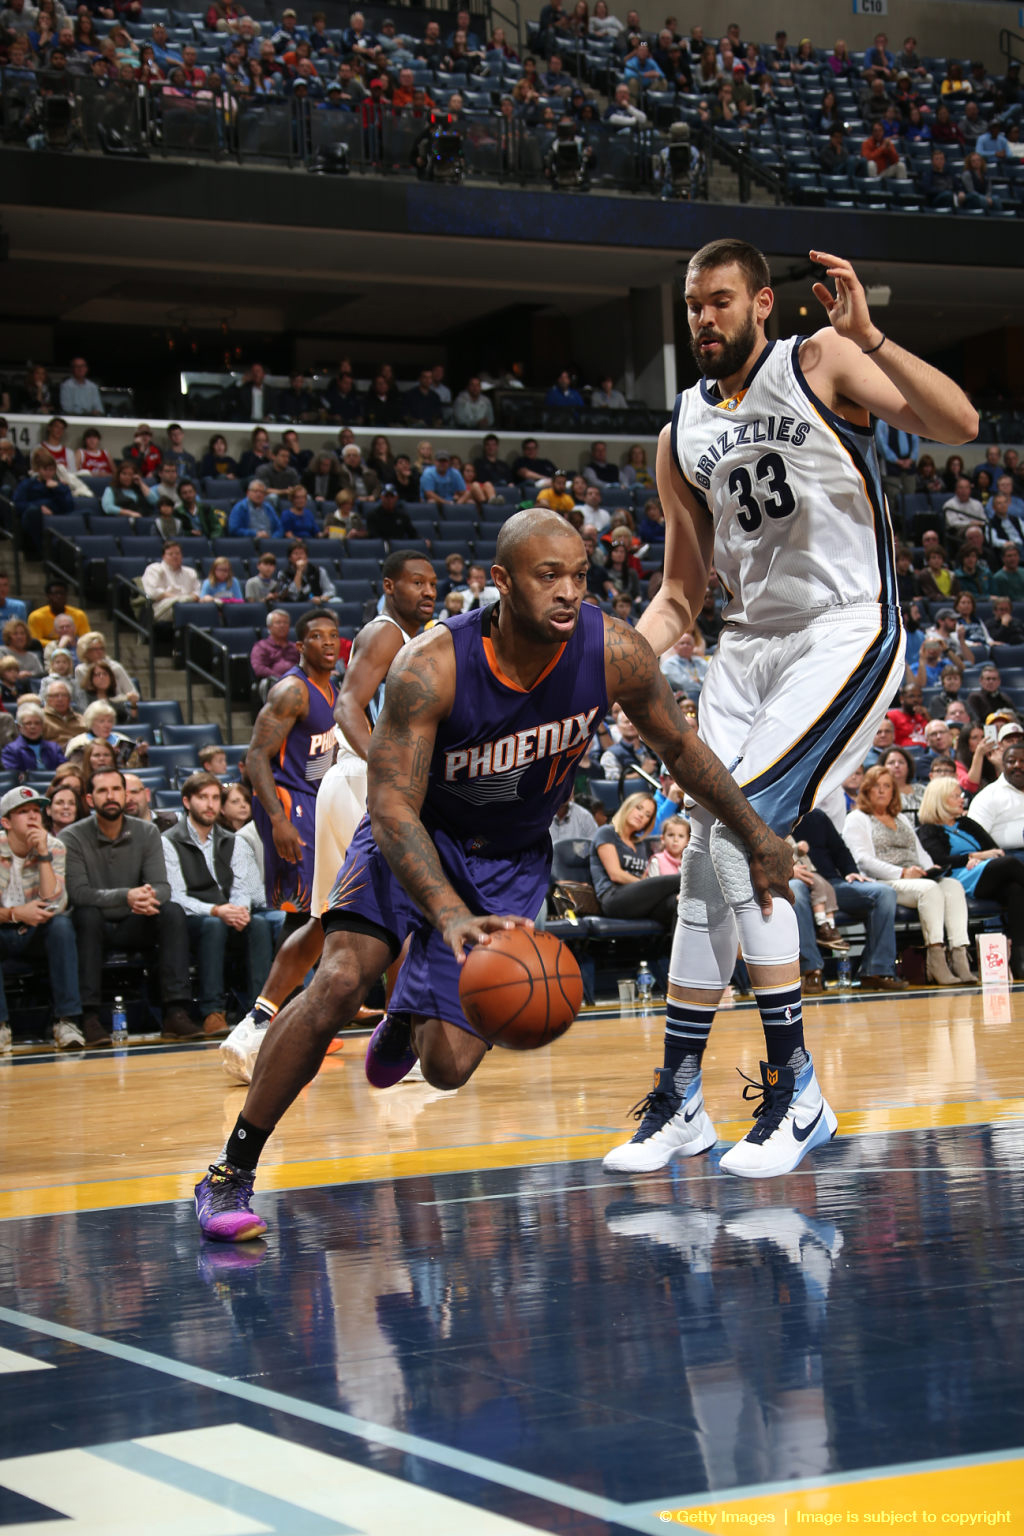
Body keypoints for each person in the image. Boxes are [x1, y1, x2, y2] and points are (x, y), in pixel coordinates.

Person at [194, 511, 794, 1240]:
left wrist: (756, 832)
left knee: (445, 1068)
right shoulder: (432, 666)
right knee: (341, 978)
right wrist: (444, 914)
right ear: (502, 583)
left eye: (579, 574)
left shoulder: (615, 652)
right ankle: (229, 1173)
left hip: (509, 860)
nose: (570, 591)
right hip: (416, 833)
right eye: (549, 576)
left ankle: (408, 1015)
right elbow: (389, 808)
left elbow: (679, 745)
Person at [604, 239, 977, 1180]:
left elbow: (959, 422)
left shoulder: (816, 360)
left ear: (762, 303)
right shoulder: (678, 431)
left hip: (843, 628)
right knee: (703, 863)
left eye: (720, 301)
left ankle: (798, 1089)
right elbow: (683, 592)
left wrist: (873, 338)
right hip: (745, 650)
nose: (703, 320)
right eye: (693, 307)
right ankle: (682, 1098)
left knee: (742, 832)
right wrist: (621, 662)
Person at [220, 551, 438, 1084]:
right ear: (389, 586)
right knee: (400, 912)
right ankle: (400, 1035)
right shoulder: (386, 632)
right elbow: (347, 709)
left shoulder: (415, 639)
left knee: (327, 920)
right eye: (416, 581)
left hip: (352, 784)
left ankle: (253, 1026)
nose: (428, 590)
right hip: (363, 782)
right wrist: (390, 773)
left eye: (433, 582)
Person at [60, 766, 200, 1042]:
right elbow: (78, 893)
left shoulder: (147, 832)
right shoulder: (72, 836)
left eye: (116, 789)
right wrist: (127, 896)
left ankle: (176, 1012)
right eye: (102, 790)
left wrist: (147, 898)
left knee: (171, 911)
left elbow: (162, 887)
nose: (110, 796)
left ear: (126, 795)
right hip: (94, 925)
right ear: (89, 800)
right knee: (86, 915)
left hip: (135, 921)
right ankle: (88, 1017)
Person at [162, 772, 274, 1038]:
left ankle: (258, 1011)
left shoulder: (231, 840)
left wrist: (238, 909)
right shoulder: (169, 840)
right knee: (213, 925)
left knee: (258, 924)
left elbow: (241, 885)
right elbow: (175, 895)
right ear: (187, 802)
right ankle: (213, 1011)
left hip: (227, 912)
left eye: (215, 798)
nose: (210, 805)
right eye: (203, 798)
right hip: (193, 918)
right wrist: (216, 910)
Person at [843, 764, 977, 986]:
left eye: (887, 786)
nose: (882, 791)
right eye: (876, 786)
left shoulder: (901, 818)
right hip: (886, 881)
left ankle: (959, 955)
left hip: (916, 877)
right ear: (866, 789)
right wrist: (903, 873)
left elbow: (920, 852)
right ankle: (935, 959)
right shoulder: (857, 818)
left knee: (952, 885)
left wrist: (930, 869)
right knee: (930, 889)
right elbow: (863, 860)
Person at [247, 609, 340, 924]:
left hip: (314, 799)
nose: (327, 643)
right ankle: (284, 975)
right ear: (300, 647)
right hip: (287, 800)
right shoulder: (292, 691)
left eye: (332, 636)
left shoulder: (334, 690)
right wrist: (277, 820)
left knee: (321, 908)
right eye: (316, 636)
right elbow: (257, 755)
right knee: (301, 910)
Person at [0, 785, 85, 1053]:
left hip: (37, 931)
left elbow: (55, 904)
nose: (32, 817)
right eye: (23, 812)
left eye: (35, 811)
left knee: (61, 926)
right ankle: (1, 1027)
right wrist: (15, 913)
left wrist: (44, 855)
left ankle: (67, 1022)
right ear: (6, 822)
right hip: (3, 930)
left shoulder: (55, 847)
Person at [917, 776, 1024, 980]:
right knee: (1010, 864)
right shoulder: (929, 829)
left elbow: (995, 849)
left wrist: (982, 858)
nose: (962, 800)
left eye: (961, 796)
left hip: (983, 871)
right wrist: (972, 857)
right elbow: (938, 859)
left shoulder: (966, 823)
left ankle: (1019, 959)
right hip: (957, 878)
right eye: (956, 796)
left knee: (1016, 890)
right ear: (939, 800)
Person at [590, 792, 680, 929]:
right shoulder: (607, 832)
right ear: (628, 806)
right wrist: (648, 884)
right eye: (638, 808)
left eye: (648, 815)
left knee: (676, 905)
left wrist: (649, 885)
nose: (641, 815)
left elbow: (644, 876)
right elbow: (615, 874)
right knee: (681, 878)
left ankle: (674, 951)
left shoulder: (641, 845)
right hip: (613, 898)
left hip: (641, 901)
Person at [966, 741, 1024, 851]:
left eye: (1023, 761)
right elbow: (974, 838)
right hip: (1007, 857)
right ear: (1003, 765)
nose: (1018, 765)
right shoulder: (988, 796)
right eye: (1011, 761)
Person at [141, 540, 201, 622]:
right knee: (181, 608)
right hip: (162, 607)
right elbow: (153, 593)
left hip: (188, 604)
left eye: (177, 553)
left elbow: (197, 592)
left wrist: (187, 599)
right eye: (170, 554)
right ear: (163, 556)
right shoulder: (154, 569)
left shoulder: (190, 572)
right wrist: (179, 598)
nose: (175, 556)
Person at [250, 609, 299, 684]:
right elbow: (259, 668)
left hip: (296, 681)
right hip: (273, 681)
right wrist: (281, 678)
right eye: (278, 623)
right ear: (269, 627)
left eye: (285, 623)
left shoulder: (295, 647)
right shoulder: (261, 646)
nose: (282, 626)